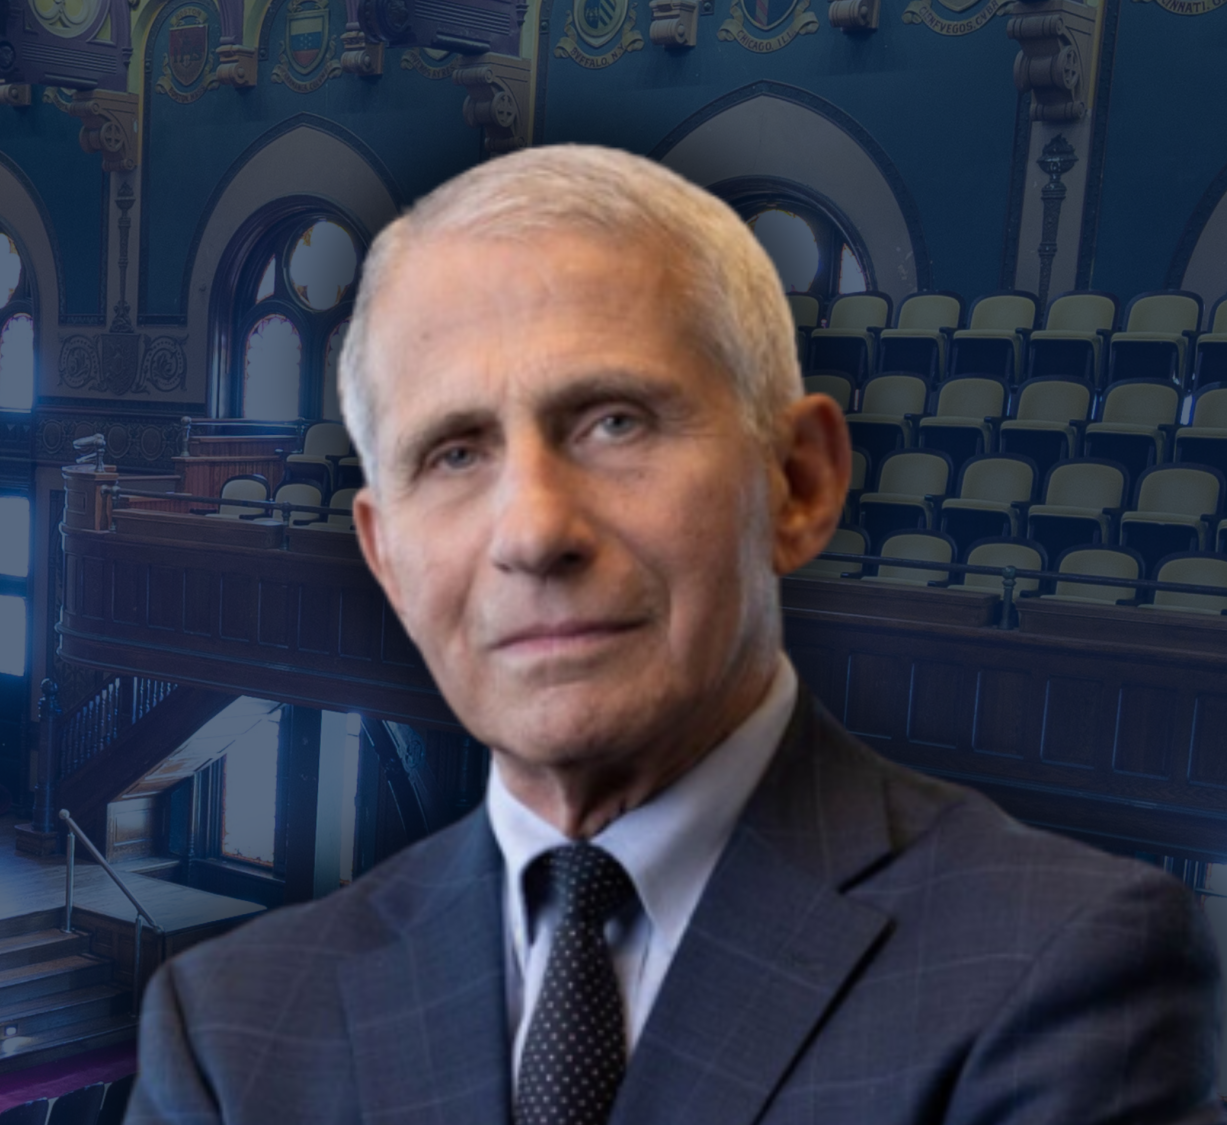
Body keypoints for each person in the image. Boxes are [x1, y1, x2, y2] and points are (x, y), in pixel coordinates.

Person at [128, 146, 1223, 1124]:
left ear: (796, 484)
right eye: (454, 454)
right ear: (385, 560)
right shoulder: (229, 1027)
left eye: (613, 422)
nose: (533, 533)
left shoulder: (1059, 966)